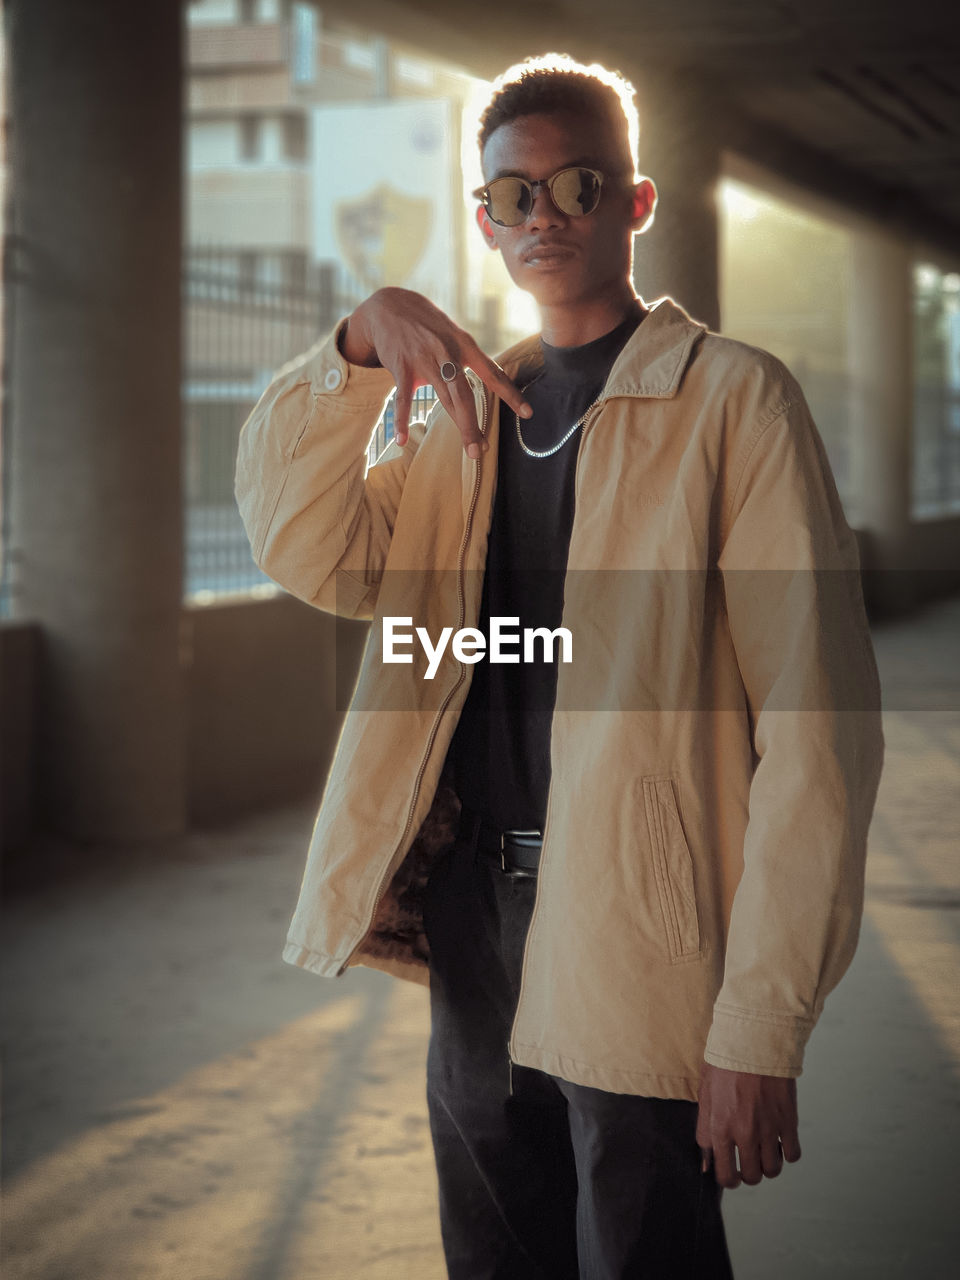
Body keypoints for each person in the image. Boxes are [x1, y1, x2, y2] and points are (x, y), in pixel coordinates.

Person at [235, 53, 885, 1280]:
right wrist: (355, 346)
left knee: (645, 1251)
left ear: (635, 204)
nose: (543, 218)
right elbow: (304, 544)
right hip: (476, 911)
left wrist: (760, 1018)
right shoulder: (463, 415)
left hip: (643, 918)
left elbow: (819, 727)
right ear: (483, 217)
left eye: (576, 186)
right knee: (494, 1252)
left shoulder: (734, 402)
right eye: (510, 196)